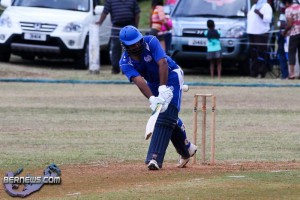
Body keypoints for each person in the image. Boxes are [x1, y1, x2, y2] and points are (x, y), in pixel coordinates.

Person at [119, 25, 197, 170]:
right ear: (125, 46)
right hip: (152, 83)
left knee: (166, 114)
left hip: (171, 74)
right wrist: (152, 99)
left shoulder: (151, 41)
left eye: (138, 41)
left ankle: (154, 158)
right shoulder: (125, 62)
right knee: (166, 115)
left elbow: (162, 63)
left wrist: (163, 88)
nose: (136, 45)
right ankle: (186, 149)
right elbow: (138, 80)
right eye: (132, 44)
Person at [96, 0, 140, 74]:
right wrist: (100, 22)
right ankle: (115, 68)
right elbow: (105, 12)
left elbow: (137, 13)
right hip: (116, 27)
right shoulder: (110, 1)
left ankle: (126, 68)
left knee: (129, 49)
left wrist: (135, 27)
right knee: (115, 49)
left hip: (129, 27)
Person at [246, 0, 273, 78]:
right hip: (251, 33)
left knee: (261, 54)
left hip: (261, 34)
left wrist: (259, 13)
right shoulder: (254, 6)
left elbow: (268, 19)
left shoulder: (266, 6)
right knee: (253, 54)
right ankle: (254, 72)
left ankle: (262, 72)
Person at [282, 0, 300, 79]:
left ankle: (291, 74)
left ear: (287, 3)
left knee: (291, 53)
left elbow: (289, 24)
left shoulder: (289, 9)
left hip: (294, 33)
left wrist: (284, 32)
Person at [277, 3, 289, 79]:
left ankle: (287, 74)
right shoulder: (282, 5)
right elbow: (281, 23)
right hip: (283, 33)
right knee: (282, 54)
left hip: (289, 33)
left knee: (284, 54)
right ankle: (285, 74)